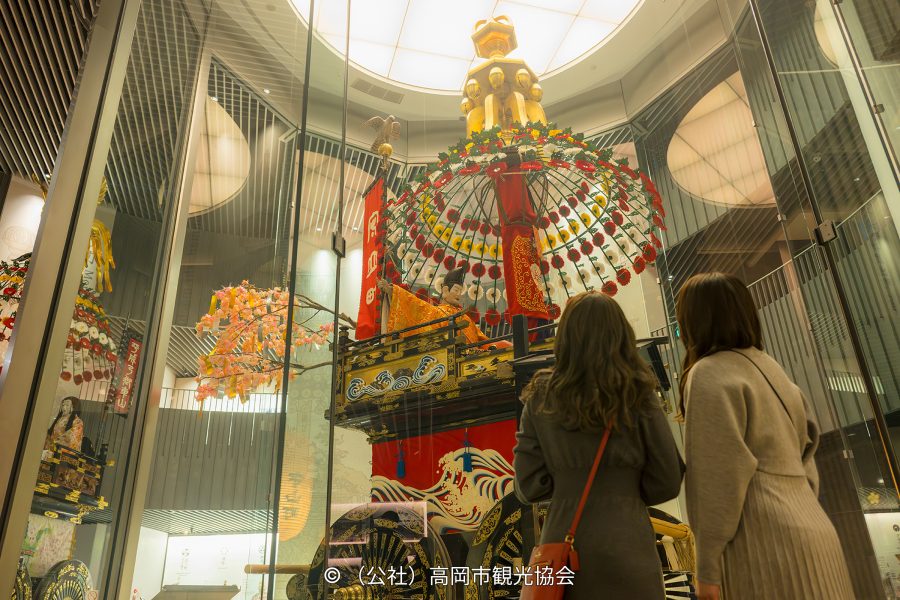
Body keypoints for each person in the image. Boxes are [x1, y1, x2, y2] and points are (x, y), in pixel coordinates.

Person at [677, 272, 853, 600]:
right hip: (817, 534)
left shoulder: (708, 374)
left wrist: (707, 571)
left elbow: (716, 480)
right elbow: (809, 459)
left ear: (694, 321)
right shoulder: (772, 368)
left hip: (765, 548)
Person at [513, 291, 684, 599]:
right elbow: (668, 481)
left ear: (564, 338)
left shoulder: (539, 397)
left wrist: (567, 483)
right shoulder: (639, 394)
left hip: (566, 553)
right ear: (620, 335)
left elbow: (528, 487)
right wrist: (627, 490)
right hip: (630, 547)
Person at [378, 266, 492, 345]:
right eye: (456, 290)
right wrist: (391, 291)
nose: (459, 295)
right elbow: (414, 304)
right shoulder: (435, 312)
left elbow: (482, 339)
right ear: (445, 290)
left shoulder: (467, 318)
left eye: (460, 291)